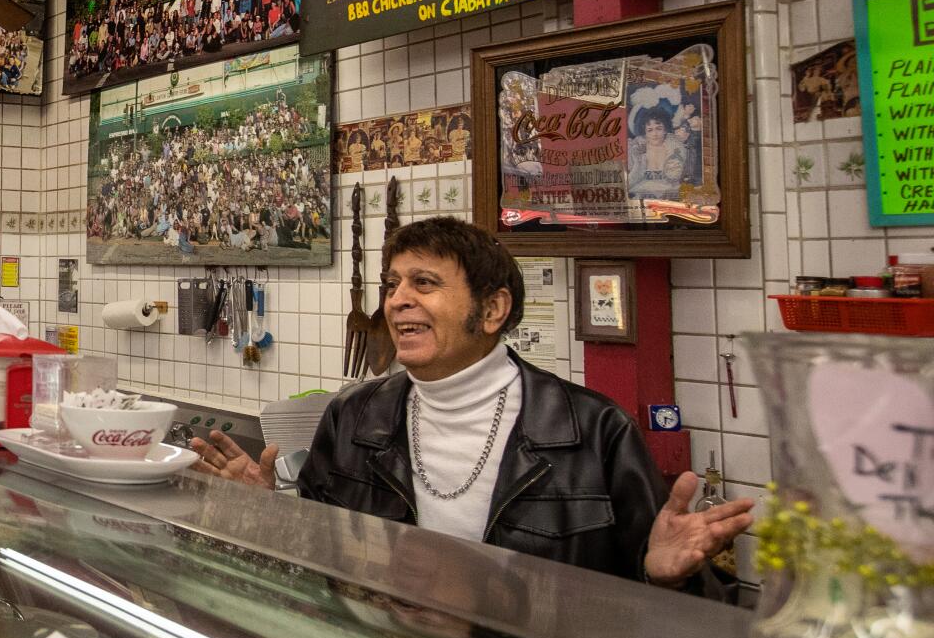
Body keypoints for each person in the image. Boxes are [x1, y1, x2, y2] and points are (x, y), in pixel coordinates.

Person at [194, 216, 751, 593]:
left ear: (492, 311)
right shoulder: (353, 417)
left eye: (425, 283)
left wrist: (664, 576)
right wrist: (270, 514)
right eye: (392, 285)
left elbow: (668, 612)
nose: (397, 299)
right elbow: (321, 555)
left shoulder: (594, 430)